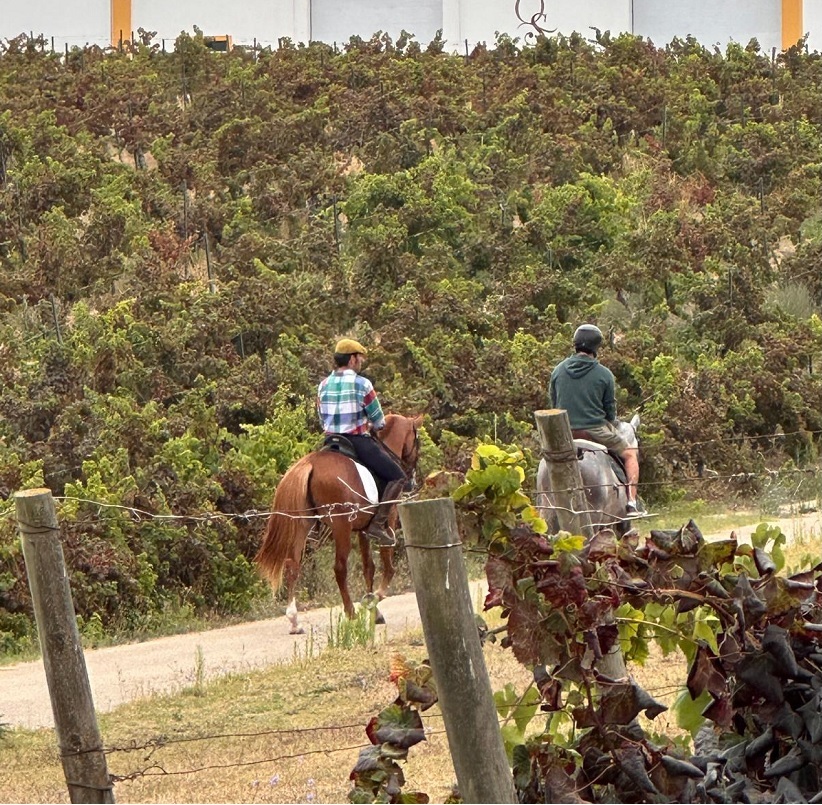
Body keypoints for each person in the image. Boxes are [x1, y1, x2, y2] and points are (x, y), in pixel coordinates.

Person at [317, 338, 407, 544]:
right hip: (356, 441)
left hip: (330, 442)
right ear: (352, 359)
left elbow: (322, 419)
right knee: (397, 476)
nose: (361, 362)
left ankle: (314, 526)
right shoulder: (363, 384)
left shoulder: (323, 385)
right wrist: (374, 425)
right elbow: (379, 421)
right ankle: (377, 525)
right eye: (360, 358)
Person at [548, 324, 641, 515]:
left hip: (564, 434)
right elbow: (610, 413)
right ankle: (632, 502)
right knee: (630, 454)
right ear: (596, 347)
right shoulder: (604, 374)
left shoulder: (557, 371)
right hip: (594, 431)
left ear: (575, 343)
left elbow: (554, 404)